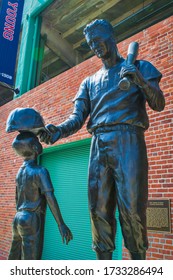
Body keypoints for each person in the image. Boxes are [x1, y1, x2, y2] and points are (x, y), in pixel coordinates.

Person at [39, 19, 165, 260]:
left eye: (98, 40)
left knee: (132, 210)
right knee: (98, 211)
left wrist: (138, 79)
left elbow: (158, 103)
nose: (95, 46)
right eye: (90, 43)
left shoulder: (139, 66)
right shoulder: (88, 83)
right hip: (98, 145)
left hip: (128, 141)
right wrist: (57, 131)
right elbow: (76, 118)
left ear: (111, 37)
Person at [8, 132, 73, 260]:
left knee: (13, 257)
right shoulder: (40, 171)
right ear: (35, 148)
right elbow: (50, 197)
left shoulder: (19, 173)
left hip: (17, 218)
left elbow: (17, 199)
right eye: (37, 141)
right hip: (31, 219)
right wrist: (61, 224)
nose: (40, 142)